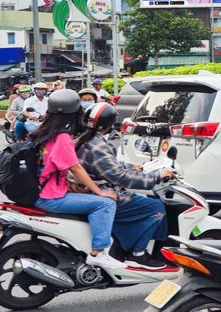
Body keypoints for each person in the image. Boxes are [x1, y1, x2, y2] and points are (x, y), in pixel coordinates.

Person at [30, 89, 125, 270]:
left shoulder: (41, 133)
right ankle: (98, 253)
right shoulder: (62, 137)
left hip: (40, 190)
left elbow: (50, 166)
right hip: (50, 197)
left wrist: (70, 184)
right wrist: (99, 191)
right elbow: (76, 167)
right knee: (105, 203)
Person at [76, 102, 175, 270]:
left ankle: (123, 245)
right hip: (104, 193)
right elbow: (119, 177)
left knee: (141, 200)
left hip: (89, 190)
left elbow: (108, 166)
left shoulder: (85, 139)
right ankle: (138, 254)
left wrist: (138, 167)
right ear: (109, 124)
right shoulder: (97, 146)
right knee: (155, 206)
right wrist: (156, 177)